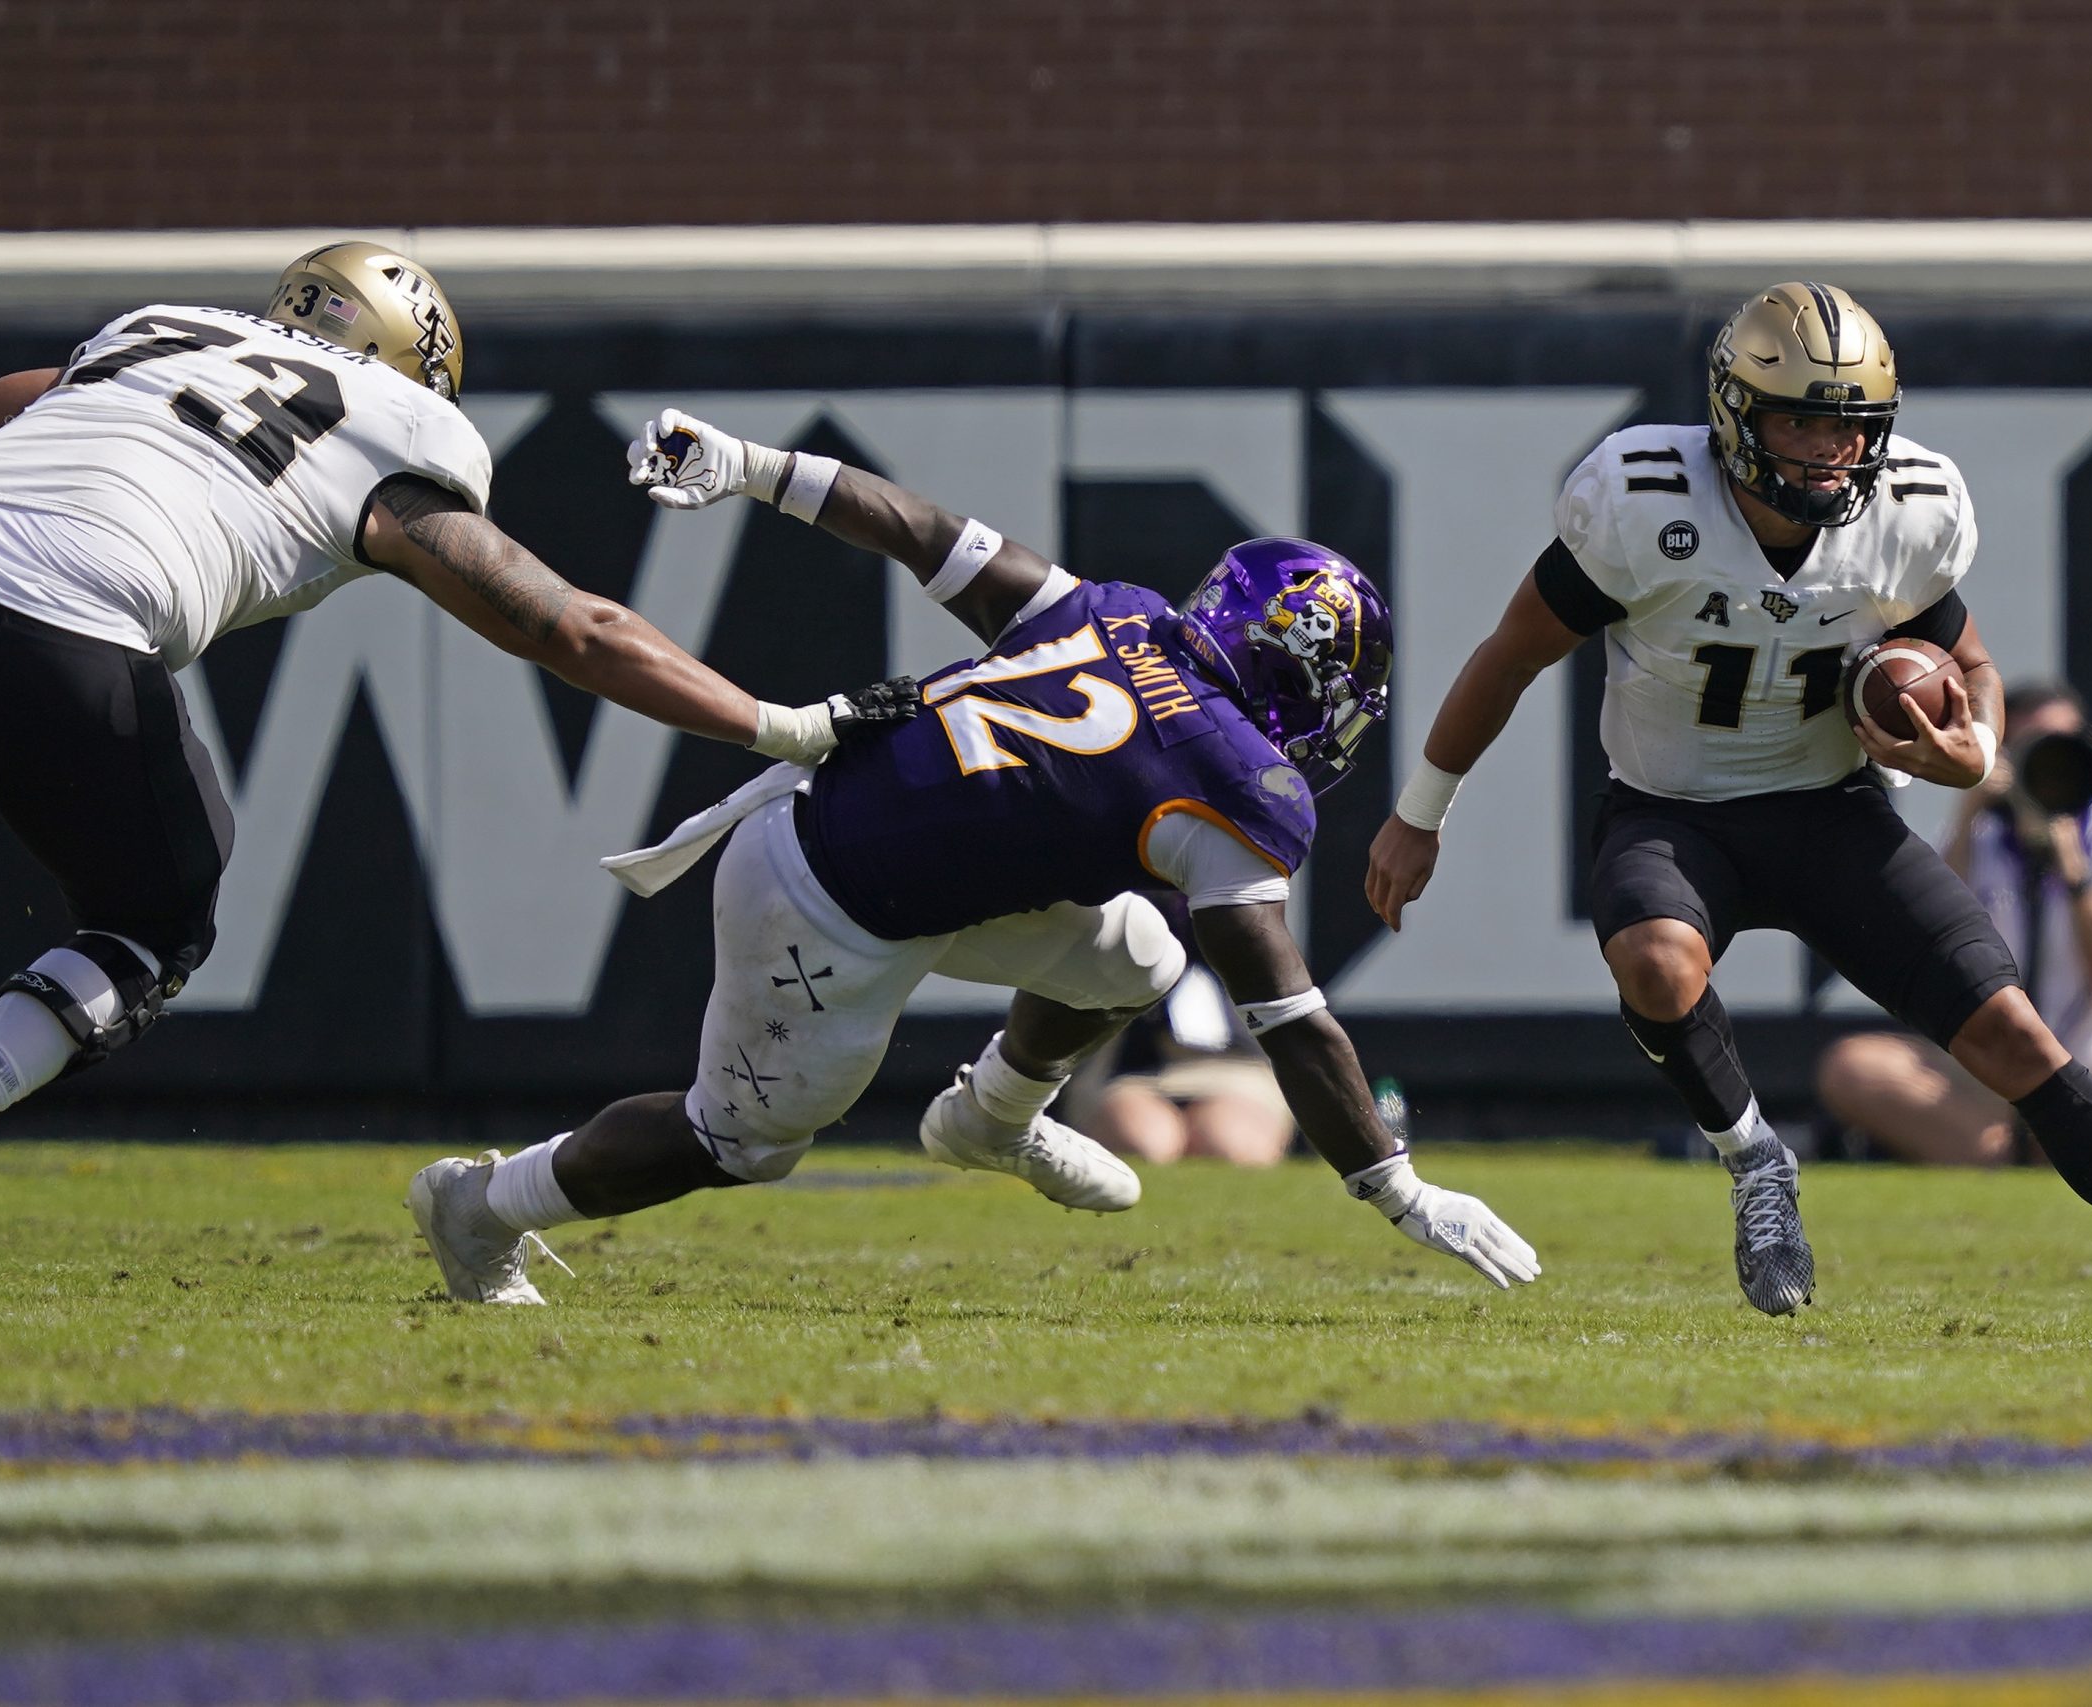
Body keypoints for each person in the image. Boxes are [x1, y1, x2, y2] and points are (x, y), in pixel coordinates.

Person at [0, 243, 912, 1285]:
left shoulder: (153, 333)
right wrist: (783, 726)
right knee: (153, 914)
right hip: (69, 620)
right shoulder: (393, 429)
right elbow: (571, 627)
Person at [1364, 281, 2092, 1341]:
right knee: (1653, 964)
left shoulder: (1908, 514)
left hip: (1833, 817)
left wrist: (1978, 746)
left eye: (1850, 424)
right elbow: (1511, 655)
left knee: (2011, 1034)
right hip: (1673, 811)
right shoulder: (1643, 500)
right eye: (1801, 419)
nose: (1828, 449)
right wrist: (1421, 811)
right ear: (1734, 415)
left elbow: (1972, 661)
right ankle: (1755, 1160)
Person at [402, 408, 1538, 1304]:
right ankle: (482, 1208)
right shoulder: (1240, 784)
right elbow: (1289, 1016)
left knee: (1138, 954)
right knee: (734, 1144)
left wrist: (749, 464)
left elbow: (916, 528)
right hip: (823, 909)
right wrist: (1396, 1186)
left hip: (874, 842)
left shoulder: (1117, 612)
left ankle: (989, 1118)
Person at [1818, 683, 2092, 1170]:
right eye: (2032, 753)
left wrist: (2074, 875)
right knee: (1853, 1068)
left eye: (2061, 751)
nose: (2047, 770)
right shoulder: (1980, 842)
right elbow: (1921, 946)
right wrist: (1966, 812)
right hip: (2002, 1078)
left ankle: (2032, 1152)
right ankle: (2019, 1155)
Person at [1076, 903, 1297, 1168]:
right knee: (1142, 1142)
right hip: (1130, 1070)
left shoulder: (1246, 902)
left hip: (1238, 1069)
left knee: (1226, 1143)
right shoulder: (1117, 897)